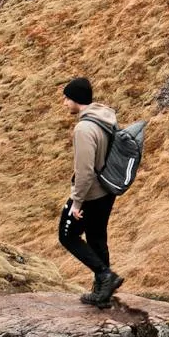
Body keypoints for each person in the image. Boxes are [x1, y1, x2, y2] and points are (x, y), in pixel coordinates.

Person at [57, 75, 124, 308]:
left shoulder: (84, 128)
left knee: (67, 236)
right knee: (96, 237)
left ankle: (105, 276)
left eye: (67, 98)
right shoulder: (105, 119)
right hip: (107, 191)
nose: (65, 102)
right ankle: (102, 292)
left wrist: (76, 202)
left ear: (76, 99)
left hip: (91, 193)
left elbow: (84, 171)